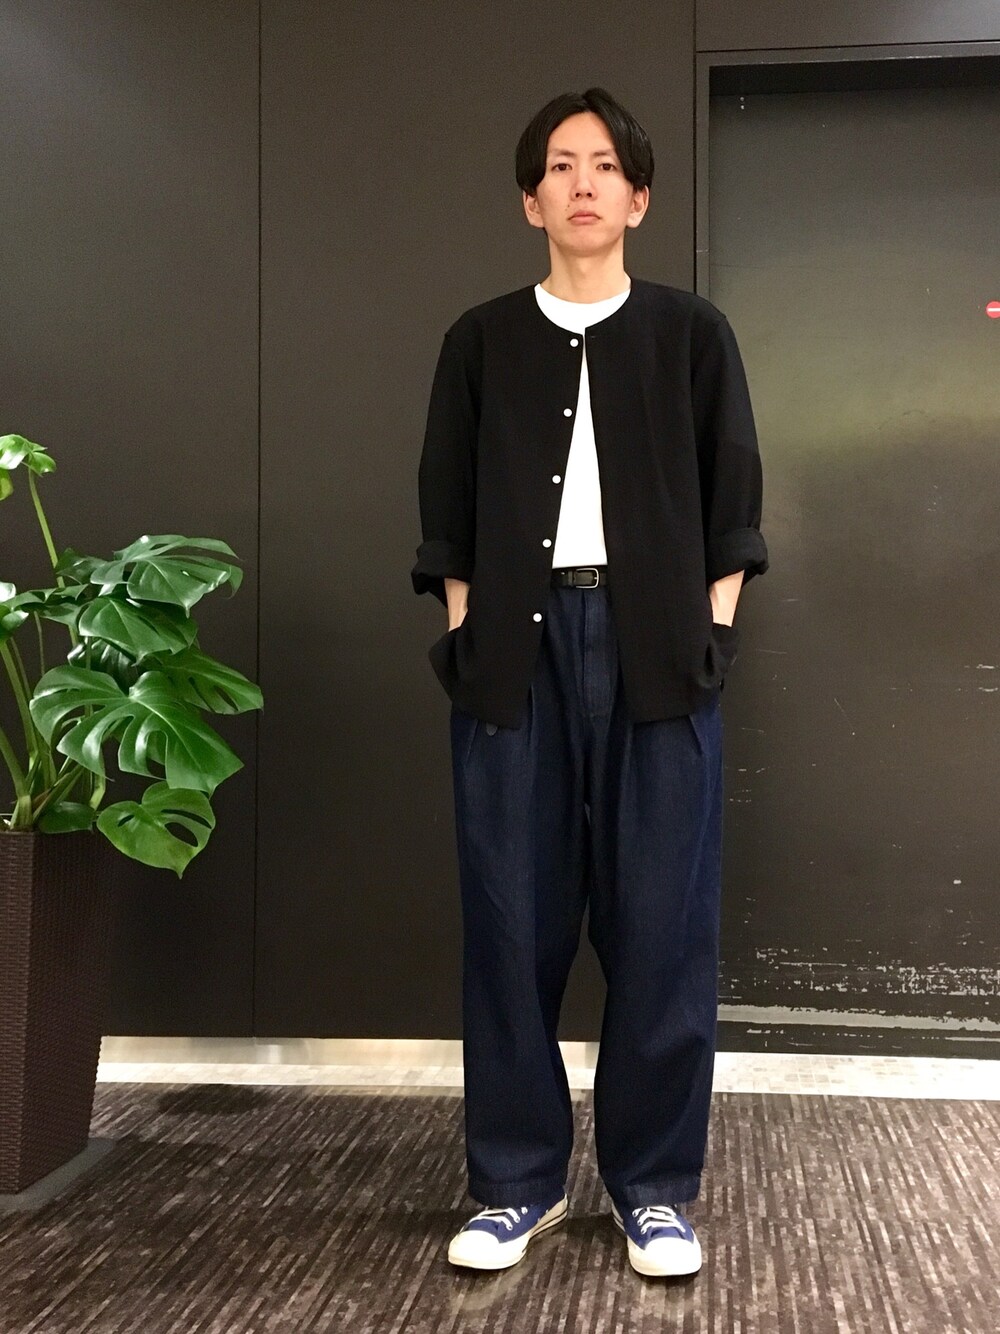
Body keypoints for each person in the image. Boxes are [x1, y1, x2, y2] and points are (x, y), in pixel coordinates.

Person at [411, 86, 768, 1279]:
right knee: (509, 923)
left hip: (658, 649)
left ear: (638, 197)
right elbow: (446, 509)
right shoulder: (479, 340)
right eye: (560, 165)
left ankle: (652, 1189)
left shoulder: (690, 333)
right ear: (531, 200)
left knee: (663, 928)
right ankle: (514, 1183)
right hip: (515, 657)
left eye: (604, 164)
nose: (581, 182)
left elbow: (733, 504)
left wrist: (708, 633)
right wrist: (469, 635)